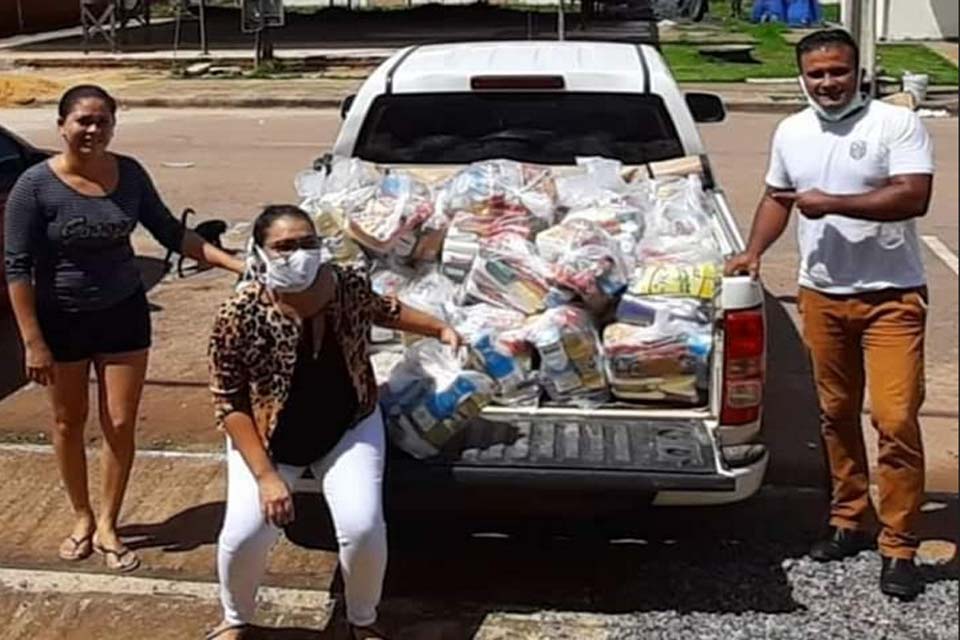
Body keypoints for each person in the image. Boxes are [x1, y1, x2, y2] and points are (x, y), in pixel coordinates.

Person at [726, 29, 934, 601]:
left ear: (858, 72)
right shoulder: (792, 131)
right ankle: (849, 517)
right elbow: (778, 196)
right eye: (816, 74)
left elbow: (913, 196)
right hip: (821, 295)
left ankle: (900, 545)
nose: (828, 83)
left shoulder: (895, 123)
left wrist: (832, 203)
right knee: (835, 414)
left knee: (894, 419)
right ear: (802, 77)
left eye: (838, 71)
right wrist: (753, 251)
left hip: (892, 297)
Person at [3, 84, 245, 572]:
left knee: (119, 423)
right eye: (83, 120)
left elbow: (170, 232)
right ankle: (81, 516)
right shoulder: (35, 185)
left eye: (102, 121)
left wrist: (236, 265)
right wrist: (33, 341)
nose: (93, 130)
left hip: (123, 313)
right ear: (62, 125)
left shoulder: (129, 174)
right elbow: (17, 267)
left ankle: (109, 522)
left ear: (113, 126)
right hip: (62, 319)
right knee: (68, 422)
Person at [206, 205, 459, 640]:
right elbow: (229, 402)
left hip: (348, 427)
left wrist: (439, 329)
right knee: (246, 534)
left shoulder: (346, 285)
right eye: (284, 247)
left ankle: (363, 620)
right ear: (260, 253)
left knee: (362, 527)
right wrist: (266, 477)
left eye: (308, 243)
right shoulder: (238, 314)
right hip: (268, 439)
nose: (299, 255)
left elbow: (386, 310)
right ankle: (235, 618)